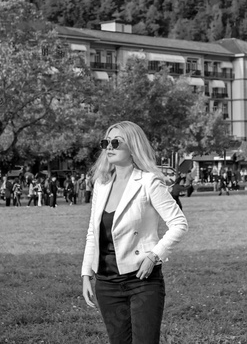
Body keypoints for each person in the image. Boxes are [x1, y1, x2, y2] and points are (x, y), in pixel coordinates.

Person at [81, 121, 188, 344]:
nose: (108, 147)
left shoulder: (148, 182)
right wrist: (85, 275)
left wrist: (153, 256)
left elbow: (178, 223)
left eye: (115, 142)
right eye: (105, 142)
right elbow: (93, 232)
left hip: (142, 281)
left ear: (132, 146)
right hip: (107, 284)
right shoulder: (101, 185)